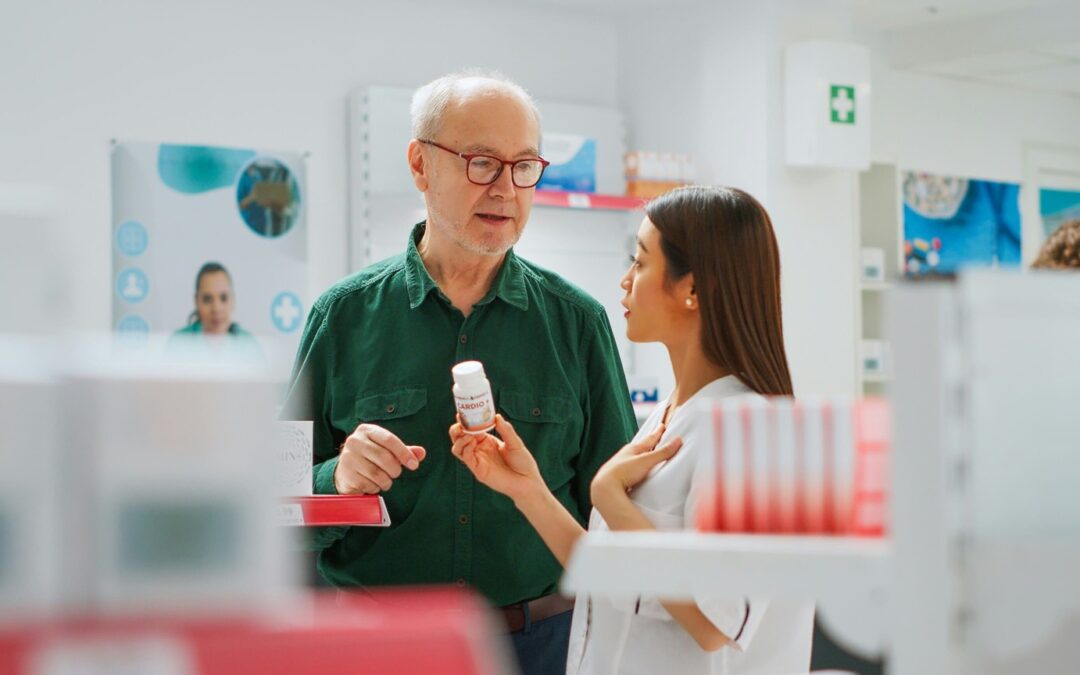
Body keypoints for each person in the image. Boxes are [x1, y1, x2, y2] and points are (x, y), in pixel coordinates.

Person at [280, 70, 636, 675]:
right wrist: (335, 476)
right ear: (420, 164)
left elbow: (617, 517)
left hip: (538, 647)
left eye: (524, 167)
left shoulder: (577, 324)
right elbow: (276, 510)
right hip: (378, 649)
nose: (506, 189)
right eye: (481, 163)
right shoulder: (342, 318)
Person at [450, 186, 815, 674]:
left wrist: (610, 497)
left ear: (693, 288)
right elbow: (611, 574)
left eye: (640, 263)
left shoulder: (754, 435)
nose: (624, 281)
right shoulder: (674, 415)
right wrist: (527, 491)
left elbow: (714, 620)